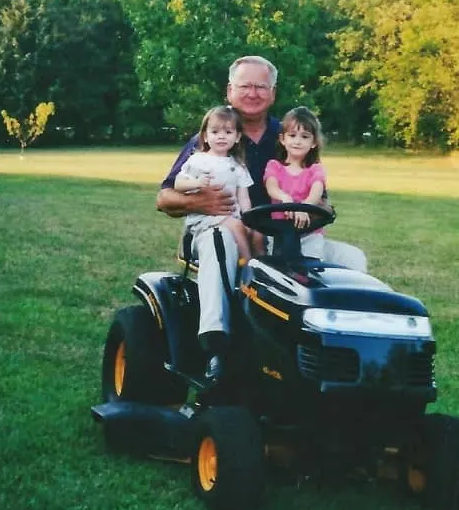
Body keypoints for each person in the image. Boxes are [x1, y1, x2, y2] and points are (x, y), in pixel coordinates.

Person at [156, 56, 367, 379]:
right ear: (230, 90)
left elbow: (321, 198)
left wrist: (316, 211)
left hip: (281, 233)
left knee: (352, 259)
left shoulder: (290, 134)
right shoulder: (212, 136)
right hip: (219, 229)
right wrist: (203, 201)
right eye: (244, 86)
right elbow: (165, 197)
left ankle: (335, 350)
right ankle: (217, 345)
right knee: (220, 239)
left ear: (272, 92)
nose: (252, 93)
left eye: (260, 86)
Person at [173, 105, 256, 263]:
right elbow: (178, 183)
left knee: (252, 232)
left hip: (232, 216)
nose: (221, 137)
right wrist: (196, 183)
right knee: (237, 228)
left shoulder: (238, 165)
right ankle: (248, 265)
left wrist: (248, 218)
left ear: (237, 137)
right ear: (205, 136)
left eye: (228, 132)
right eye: (215, 132)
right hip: (205, 217)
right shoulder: (198, 160)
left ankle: (246, 266)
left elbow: (244, 197)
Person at [264, 106, 328, 260]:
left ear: (313, 143)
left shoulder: (315, 169)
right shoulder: (275, 166)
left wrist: (304, 207)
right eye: (292, 135)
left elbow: (317, 190)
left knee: (310, 270)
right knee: (281, 270)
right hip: (280, 233)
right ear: (283, 139)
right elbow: (271, 187)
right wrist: (286, 199)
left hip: (309, 232)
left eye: (305, 137)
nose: (298, 141)